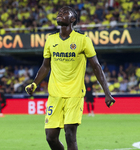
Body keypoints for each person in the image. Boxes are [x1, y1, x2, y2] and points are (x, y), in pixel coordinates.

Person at [25, 6, 115, 150]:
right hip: (55, 95)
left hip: (74, 94)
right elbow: (45, 66)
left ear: (73, 19)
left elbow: (96, 66)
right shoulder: (51, 39)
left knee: (69, 134)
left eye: (65, 13)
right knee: (50, 137)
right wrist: (34, 84)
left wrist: (107, 92)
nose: (60, 14)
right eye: (59, 12)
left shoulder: (82, 40)